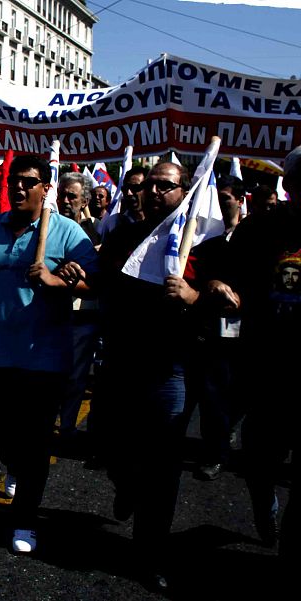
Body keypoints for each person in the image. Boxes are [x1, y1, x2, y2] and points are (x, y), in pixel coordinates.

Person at [0, 155, 98, 555]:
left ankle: (25, 519)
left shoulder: (68, 233)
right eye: (14, 181)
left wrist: (58, 280)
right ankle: (14, 463)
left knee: (37, 439)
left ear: (46, 188)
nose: (19, 188)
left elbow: (95, 286)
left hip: (45, 356)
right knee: (1, 431)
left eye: (29, 181)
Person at [97, 161, 197, 591]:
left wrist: (192, 293)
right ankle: (127, 484)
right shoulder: (122, 235)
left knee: (163, 466)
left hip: (168, 369)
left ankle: (150, 552)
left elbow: (224, 295)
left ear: (184, 191)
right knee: (113, 448)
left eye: (166, 186)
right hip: (122, 362)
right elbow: (103, 283)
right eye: (150, 185)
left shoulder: (201, 241)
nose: (155, 192)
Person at [207, 145, 301, 566]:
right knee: (258, 461)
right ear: (292, 186)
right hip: (267, 368)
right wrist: (218, 287)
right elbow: (218, 270)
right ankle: (265, 505)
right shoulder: (260, 229)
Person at [183, 174, 245, 482]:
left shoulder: (249, 238)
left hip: (232, 331)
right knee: (190, 393)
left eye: (225, 198)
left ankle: (216, 453)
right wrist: (210, 284)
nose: (219, 205)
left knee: (216, 396)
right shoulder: (204, 238)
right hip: (200, 326)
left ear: (239, 201)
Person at [55, 172, 100, 441]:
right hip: (52, 311)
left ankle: (68, 426)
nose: (66, 201)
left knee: (75, 376)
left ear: (84, 200)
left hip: (83, 314)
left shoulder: (97, 231)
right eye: (62, 195)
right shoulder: (49, 228)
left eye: (72, 196)